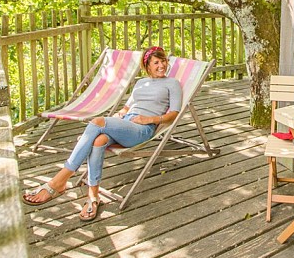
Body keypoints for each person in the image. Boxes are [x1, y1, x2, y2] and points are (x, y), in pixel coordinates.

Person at [22, 46, 182, 221]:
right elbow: (128, 107)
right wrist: (119, 114)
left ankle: (58, 181)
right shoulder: (140, 82)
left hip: (142, 129)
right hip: (125, 123)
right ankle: (93, 196)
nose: (162, 65)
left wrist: (150, 120)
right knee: (98, 141)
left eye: (164, 61)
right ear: (148, 66)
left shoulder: (172, 83)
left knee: (97, 122)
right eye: (156, 62)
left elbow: (174, 114)